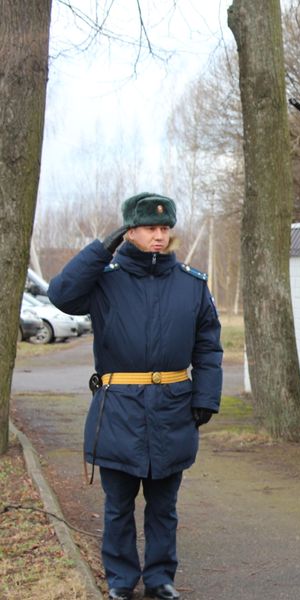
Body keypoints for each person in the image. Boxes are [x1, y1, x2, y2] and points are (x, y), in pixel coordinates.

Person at [48, 193, 223, 600]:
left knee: (164, 506)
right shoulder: (104, 280)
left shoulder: (191, 285)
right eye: (149, 228)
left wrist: (206, 396)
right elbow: (61, 294)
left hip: (173, 408)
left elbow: (208, 345)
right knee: (118, 506)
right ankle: (121, 581)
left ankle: (160, 579)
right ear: (130, 232)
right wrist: (99, 248)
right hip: (118, 408)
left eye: (164, 228)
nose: (159, 236)